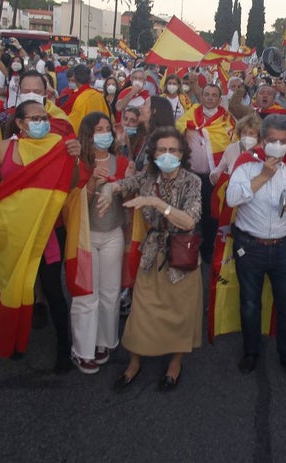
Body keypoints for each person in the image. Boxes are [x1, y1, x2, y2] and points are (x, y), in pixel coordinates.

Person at [0, 100, 75, 371]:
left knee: (54, 290)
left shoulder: (58, 145)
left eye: (44, 118)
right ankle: (15, 341)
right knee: (17, 287)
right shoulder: (4, 148)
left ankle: (64, 348)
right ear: (19, 123)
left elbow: (73, 180)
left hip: (45, 232)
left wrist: (77, 155)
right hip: (13, 231)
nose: (41, 123)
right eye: (34, 118)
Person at [101, 127, 202, 393]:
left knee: (180, 312)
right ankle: (134, 362)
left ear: (182, 154)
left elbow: (190, 220)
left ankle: (175, 364)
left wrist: (157, 204)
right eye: (162, 150)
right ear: (153, 153)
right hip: (152, 253)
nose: (167, 155)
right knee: (142, 310)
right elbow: (120, 185)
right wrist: (107, 191)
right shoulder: (147, 177)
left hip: (182, 253)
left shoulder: (193, 182)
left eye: (173, 150)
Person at [228, 114, 286, 382]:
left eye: (283, 141)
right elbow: (232, 198)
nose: (278, 145)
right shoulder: (246, 164)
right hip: (250, 246)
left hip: (284, 248)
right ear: (263, 140)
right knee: (250, 303)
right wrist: (263, 176)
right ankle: (251, 352)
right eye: (273, 140)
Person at [70, 111, 130, 374]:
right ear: (87, 134)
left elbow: (129, 199)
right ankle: (82, 349)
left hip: (113, 235)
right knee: (86, 294)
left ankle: (104, 341)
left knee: (109, 293)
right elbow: (71, 204)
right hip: (85, 236)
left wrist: (123, 184)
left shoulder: (123, 161)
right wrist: (94, 181)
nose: (104, 133)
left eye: (107, 128)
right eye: (98, 129)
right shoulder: (77, 163)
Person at [176, 83, 236, 263]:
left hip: (214, 176)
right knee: (191, 211)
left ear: (219, 98)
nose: (209, 97)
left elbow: (235, 143)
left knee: (211, 214)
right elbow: (177, 132)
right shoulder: (190, 114)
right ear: (201, 97)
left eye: (214, 95)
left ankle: (208, 248)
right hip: (191, 174)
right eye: (206, 94)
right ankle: (189, 247)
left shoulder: (227, 119)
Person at [211, 113, 260, 185]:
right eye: (244, 132)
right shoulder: (231, 149)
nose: (247, 136)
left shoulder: (263, 152)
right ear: (239, 134)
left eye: (251, 133)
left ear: (258, 136)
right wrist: (214, 176)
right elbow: (218, 170)